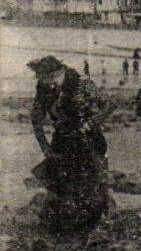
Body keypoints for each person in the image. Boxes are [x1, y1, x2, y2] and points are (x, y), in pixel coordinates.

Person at [27, 55, 109, 234]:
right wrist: (45, 147)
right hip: (62, 141)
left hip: (88, 139)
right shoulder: (43, 87)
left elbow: (108, 105)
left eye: (47, 78)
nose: (45, 83)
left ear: (58, 72)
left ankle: (97, 223)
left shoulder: (81, 82)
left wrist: (90, 123)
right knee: (60, 184)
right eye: (40, 78)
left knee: (92, 183)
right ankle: (64, 227)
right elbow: (36, 119)